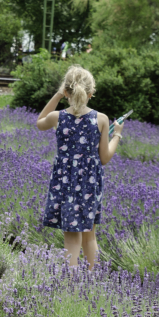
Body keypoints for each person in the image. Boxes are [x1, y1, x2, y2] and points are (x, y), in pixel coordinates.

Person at [37, 65, 123, 269]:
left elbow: (39, 122)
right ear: (91, 93)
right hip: (89, 184)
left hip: (65, 183)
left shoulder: (57, 117)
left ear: (66, 91)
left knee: (71, 238)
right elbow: (104, 158)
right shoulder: (101, 119)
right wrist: (117, 134)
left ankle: (71, 283)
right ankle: (93, 280)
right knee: (89, 235)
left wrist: (57, 96)